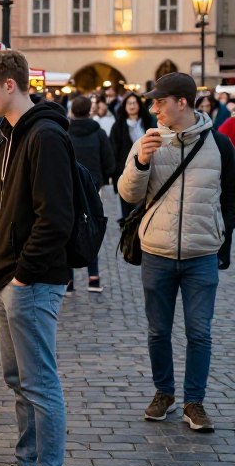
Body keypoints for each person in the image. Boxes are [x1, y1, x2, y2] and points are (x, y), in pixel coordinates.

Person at [0, 50, 72, 466]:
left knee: (40, 383)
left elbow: (56, 217)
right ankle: (27, 465)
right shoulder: (9, 132)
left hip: (28, 282)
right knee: (19, 381)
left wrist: (24, 276)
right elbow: (7, 206)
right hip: (5, 278)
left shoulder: (45, 135)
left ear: (10, 85)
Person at [117, 72, 234, 433]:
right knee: (158, 330)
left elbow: (230, 198)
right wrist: (140, 163)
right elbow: (128, 195)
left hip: (201, 254)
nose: (154, 108)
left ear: (182, 103)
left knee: (199, 332)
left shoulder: (219, 145)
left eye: (160, 102)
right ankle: (163, 393)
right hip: (157, 251)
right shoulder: (148, 142)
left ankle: (193, 402)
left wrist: (222, 239)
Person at [67, 95, 115, 293]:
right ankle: (93, 277)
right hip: (93, 185)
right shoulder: (99, 132)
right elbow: (109, 160)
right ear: (90, 111)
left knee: (70, 228)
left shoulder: (65, 131)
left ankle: (68, 280)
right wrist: (103, 178)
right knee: (90, 227)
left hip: (70, 185)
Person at [109, 92, 155, 223]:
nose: (132, 106)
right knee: (127, 199)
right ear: (124, 106)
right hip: (123, 168)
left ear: (139, 105)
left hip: (146, 166)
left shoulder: (147, 122)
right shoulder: (118, 125)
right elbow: (113, 149)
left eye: (134, 103)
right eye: (129, 103)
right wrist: (114, 170)